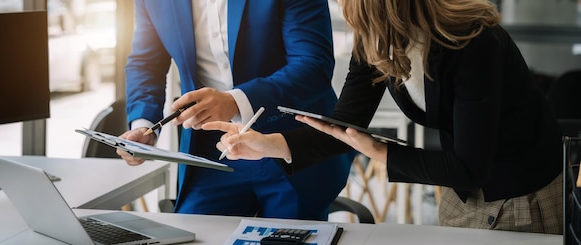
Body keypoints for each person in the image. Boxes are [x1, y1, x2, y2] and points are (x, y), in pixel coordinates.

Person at [204, 0, 563, 234]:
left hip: (520, 192)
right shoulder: (377, 39)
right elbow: (344, 125)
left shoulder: (473, 42)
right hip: (463, 188)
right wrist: (267, 145)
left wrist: (377, 151)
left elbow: (470, 168)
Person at [117, 0, 355, 220]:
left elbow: (313, 64)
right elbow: (145, 63)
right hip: (208, 151)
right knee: (196, 235)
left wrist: (234, 101)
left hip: (287, 141)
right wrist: (143, 125)